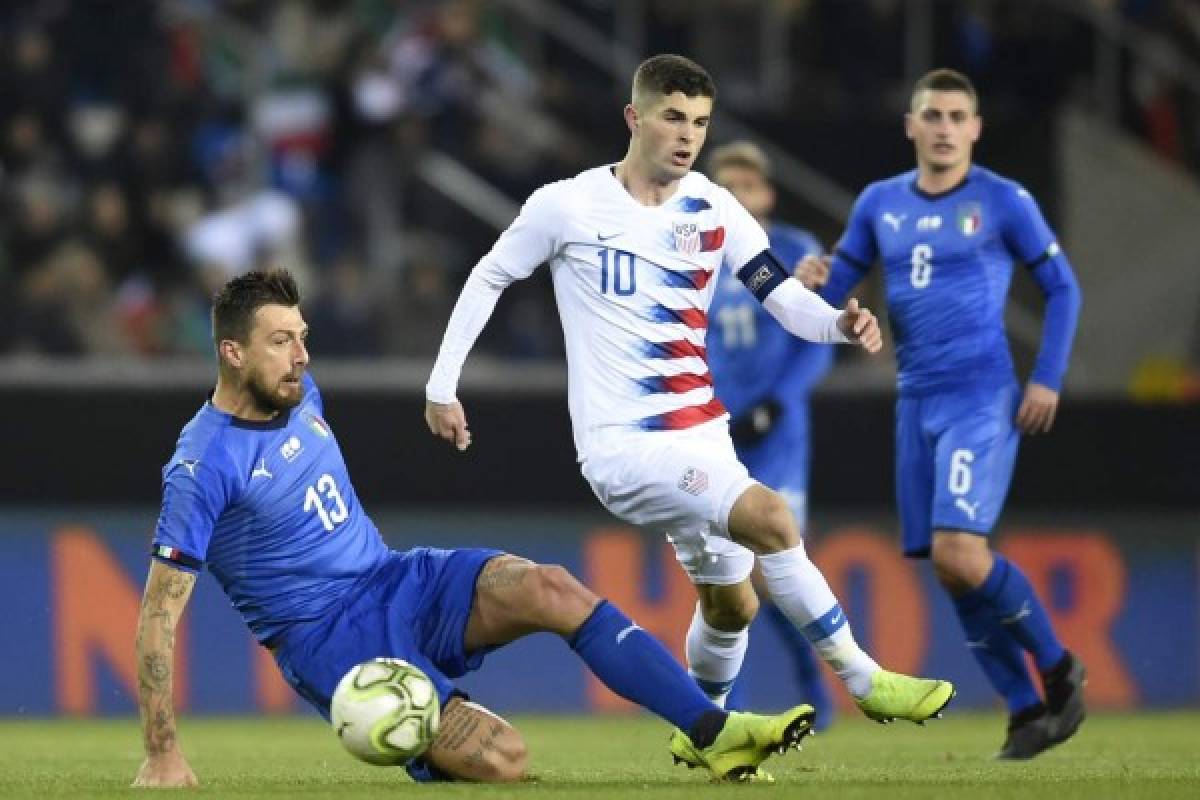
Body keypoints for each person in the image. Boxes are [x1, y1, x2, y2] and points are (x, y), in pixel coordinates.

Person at [424, 53, 954, 770]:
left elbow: (778, 293)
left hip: (703, 437)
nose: (687, 135)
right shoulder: (568, 204)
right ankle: (867, 679)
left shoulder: (712, 205)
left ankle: (698, 734)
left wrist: (839, 324)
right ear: (634, 118)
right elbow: (490, 276)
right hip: (623, 448)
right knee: (772, 517)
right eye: (673, 117)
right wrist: (441, 386)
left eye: (700, 122)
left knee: (734, 606)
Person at [131, 269, 817, 789]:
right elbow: (159, 614)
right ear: (231, 353)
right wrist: (162, 750)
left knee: (548, 586)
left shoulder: (301, 390)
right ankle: (428, 742)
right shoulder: (201, 467)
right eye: (281, 343)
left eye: (303, 338)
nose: (302, 357)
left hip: (395, 578)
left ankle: (710, 730)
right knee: (505, 760)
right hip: (329, 640)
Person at [804, 68, 1086, 760]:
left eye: (958, 116)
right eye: (932, 115)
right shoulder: (879, 204)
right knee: (947, 563)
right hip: (915, 399)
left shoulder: (1002, 200)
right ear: (911, 125)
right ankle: (1023, 710)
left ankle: (1057, 667)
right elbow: (835, 295)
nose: (944, 128)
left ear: (975, 128)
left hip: (980, 396)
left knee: (962, 552)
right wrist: (812, 280)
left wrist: (1045, 379)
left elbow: (1062, 288)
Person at [703, 141, 834, 728]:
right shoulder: (695, 250)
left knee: (774, 570)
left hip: (778, 436)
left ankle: (812, 684)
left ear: (768, 193)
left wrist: (778, 404)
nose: (739, 197)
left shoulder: (794, 252)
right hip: (714, 432)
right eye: (726, 186)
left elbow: (815, 338)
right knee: (727, 576)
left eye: (748, 186)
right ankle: (737, 706)